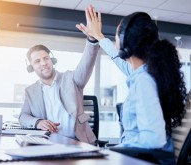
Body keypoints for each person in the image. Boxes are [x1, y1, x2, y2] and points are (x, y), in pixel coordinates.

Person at [76, 5, 187, 152]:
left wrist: (112, 151)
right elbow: (117, 58)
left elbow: (154, 138)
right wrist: (99, 37)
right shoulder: (146, 72)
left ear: (124, 41)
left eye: (116, 34)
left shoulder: (144, 80)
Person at [18, 37, 100, 145]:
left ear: (51, 60)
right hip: (48, 143)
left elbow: (87, 64)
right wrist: (37, 122)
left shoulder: (72, 78)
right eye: (37, 61)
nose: (43, 63)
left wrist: (92, 41)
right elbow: (23, 116)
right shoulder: (31, 91)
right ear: (31, 67)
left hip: (78, 142)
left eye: (46, 58)